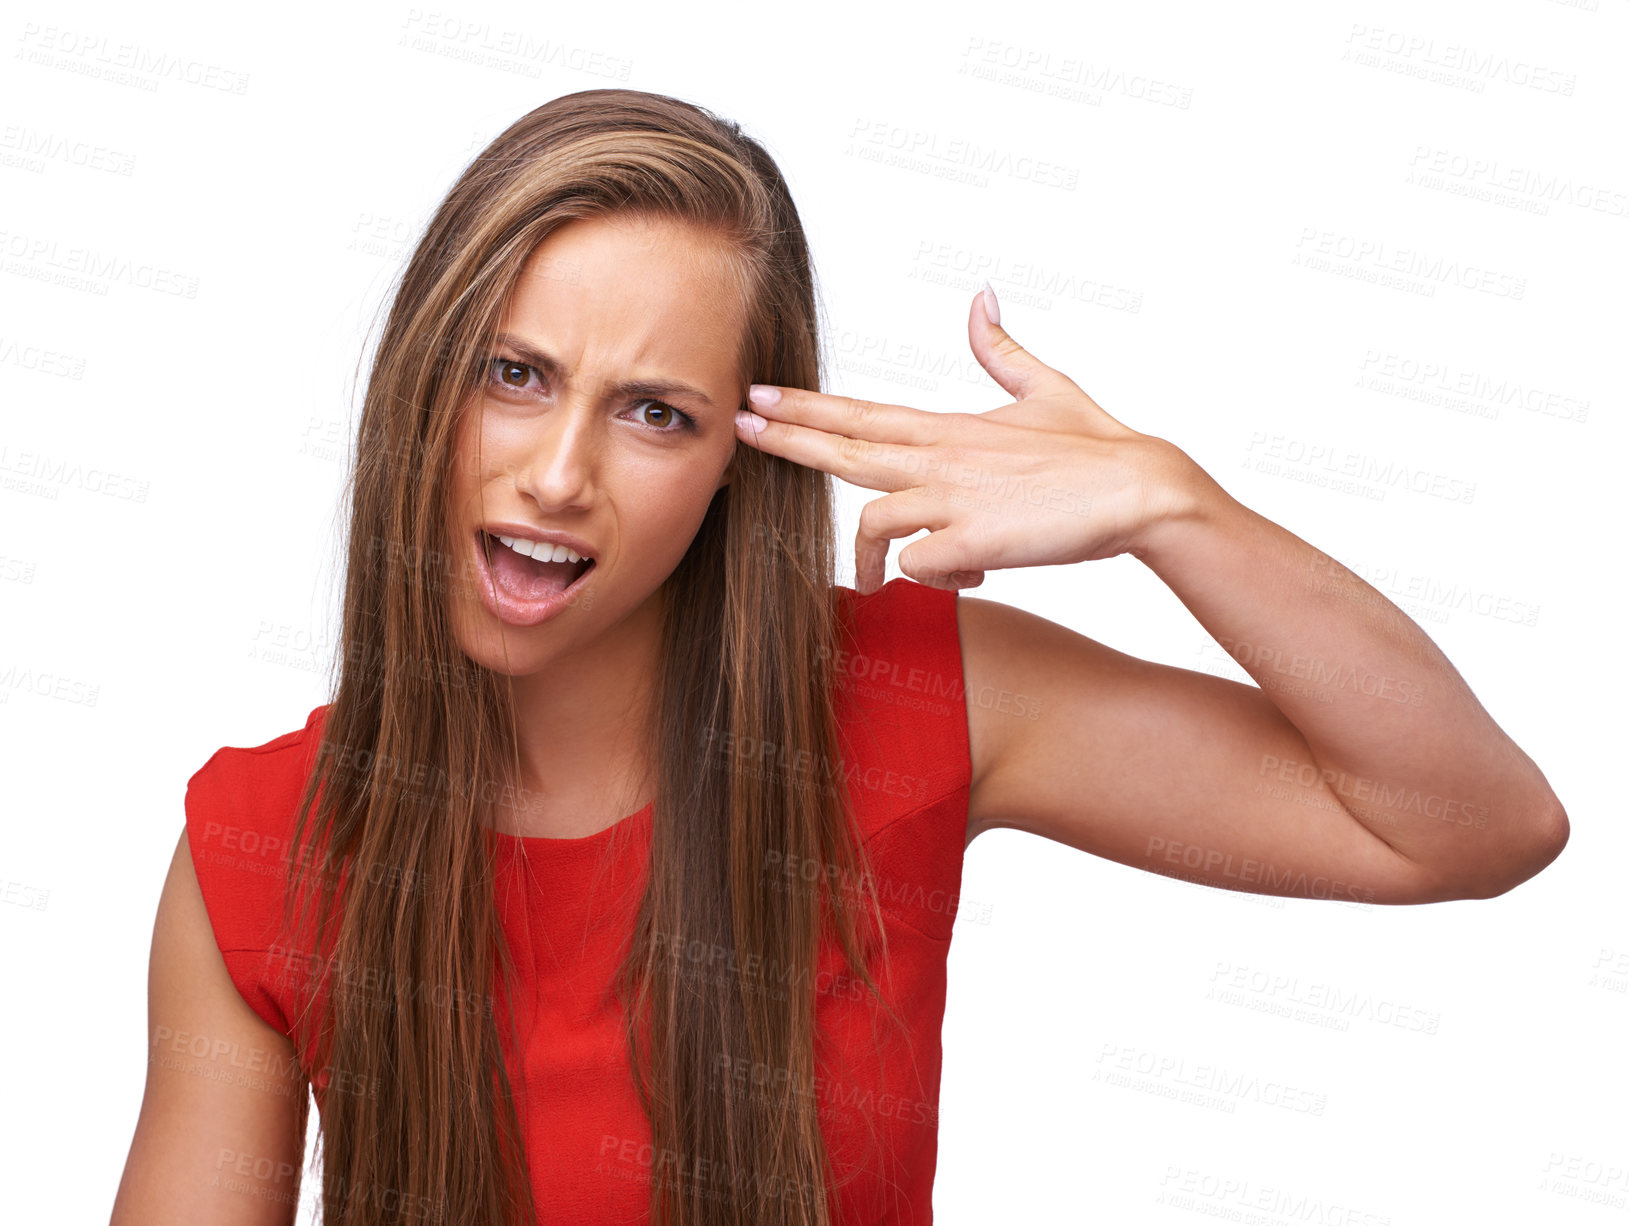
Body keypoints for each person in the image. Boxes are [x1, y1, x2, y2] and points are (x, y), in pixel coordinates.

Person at [111, 89, 1569, 1226]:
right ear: (421, 379)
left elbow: (1467, 824)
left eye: (653, 413)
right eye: (515, 374)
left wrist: (1171, 508)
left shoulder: (898, 697)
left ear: (738, 466)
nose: (558, 473)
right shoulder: (261, 847)